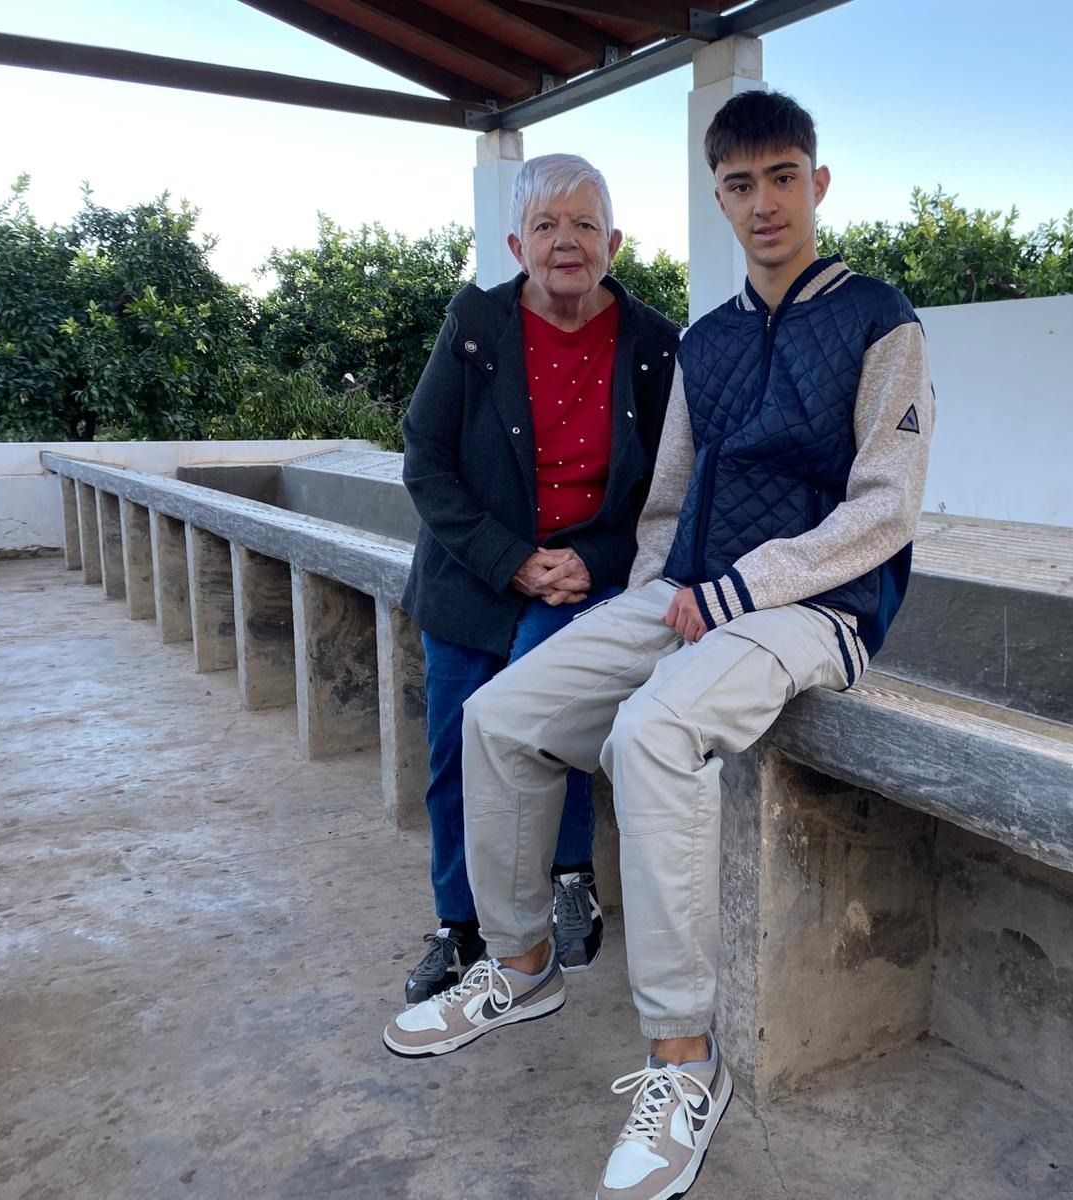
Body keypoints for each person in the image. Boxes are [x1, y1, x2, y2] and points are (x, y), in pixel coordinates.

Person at [385, 92, 935, 1200]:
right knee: (502, 718)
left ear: (816, 184)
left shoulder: (881, 319)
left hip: (815, 606)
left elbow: (886, 508)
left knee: (650, 732)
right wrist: (646, 605)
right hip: (682, 587)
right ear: (716, 196)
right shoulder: (712, 338)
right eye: (739, 183)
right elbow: (667, 498)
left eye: (783, 176)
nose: (762, 201)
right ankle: (523, 960)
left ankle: (684, 1062)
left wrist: (740, 588)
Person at [395, 153, 680, 1005]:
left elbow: (666, 485)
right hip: (472, 570)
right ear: (519, 242)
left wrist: (590, 561)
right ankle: (461, 927)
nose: (567, 242)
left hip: (579, 573)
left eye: (585, 225)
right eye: (548, 226)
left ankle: (567, 876)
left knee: (541, 724)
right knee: (452, 750)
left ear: (614, 242)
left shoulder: (654, 344)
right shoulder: (475, 325)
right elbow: (425, 459)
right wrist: (509, 559)